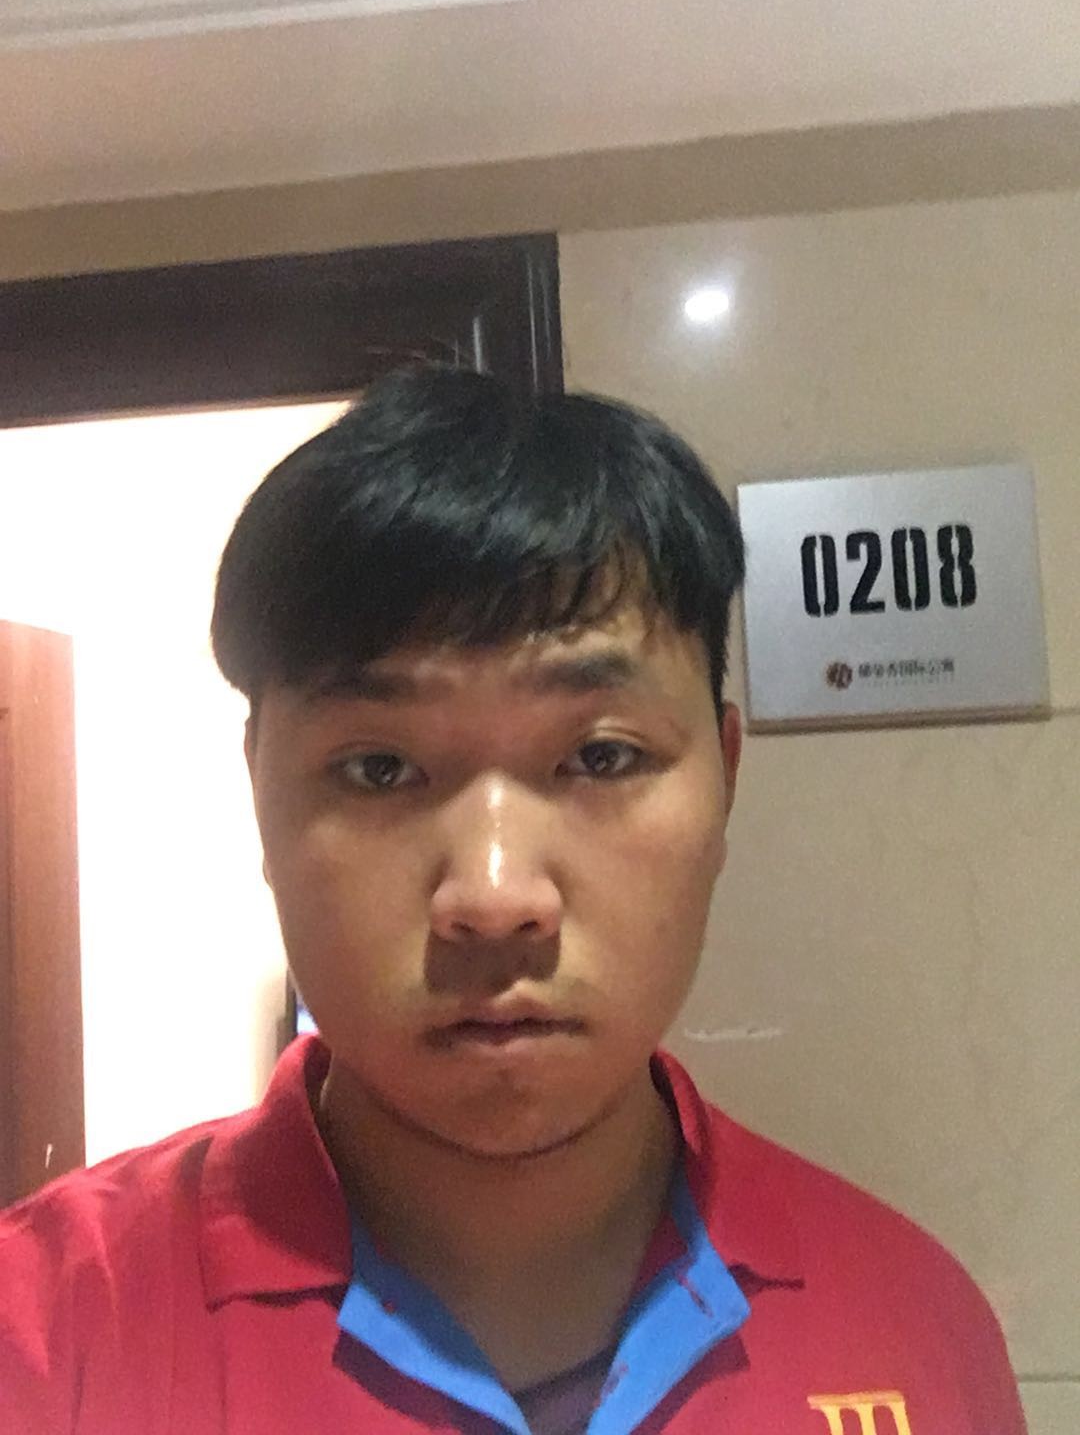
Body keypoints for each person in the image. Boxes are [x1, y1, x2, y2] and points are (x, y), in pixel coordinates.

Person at [0, 366, 1027, 1434]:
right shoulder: (44, 1339)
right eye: (380, 769)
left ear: (725, 777)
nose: (493, 899)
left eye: (601, 755)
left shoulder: (915, 1323)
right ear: (260, 790)